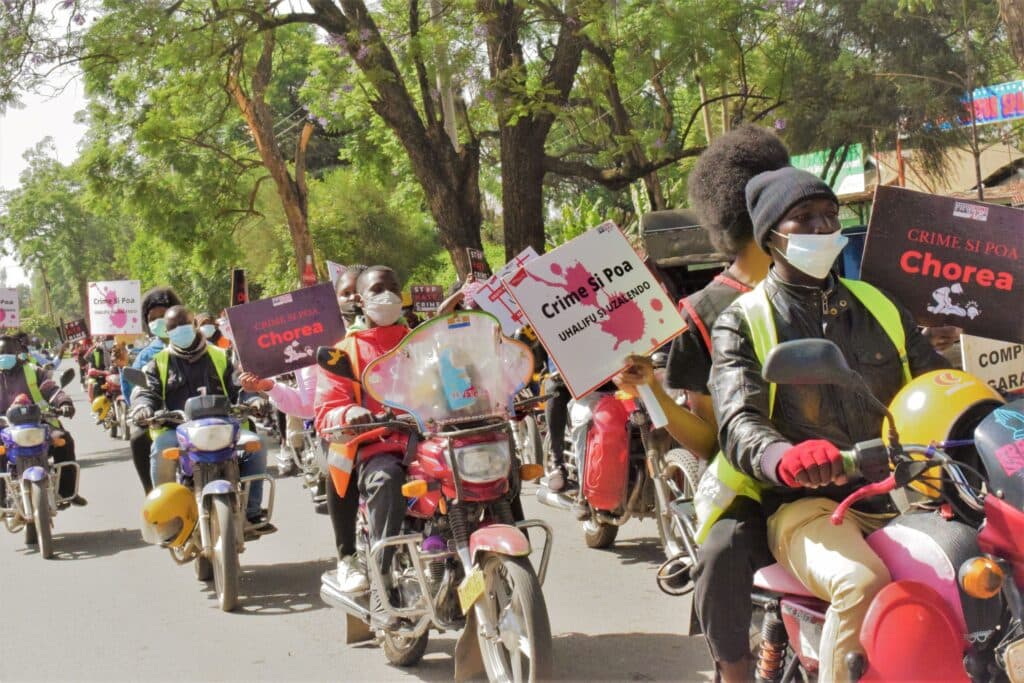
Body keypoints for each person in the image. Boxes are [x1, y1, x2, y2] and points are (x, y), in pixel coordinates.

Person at [708, 166, 949, 682]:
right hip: (809, 505)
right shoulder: (743, 319)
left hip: (909, 491)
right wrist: (785, 457)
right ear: (770, 236)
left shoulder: (880, 305)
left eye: (829, 216)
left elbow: (936, 383)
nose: (823, 228)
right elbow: (738, 420)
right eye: (803, 219)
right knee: (860, 583)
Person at [614, 124, 790, 682]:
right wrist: (653, 390)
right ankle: (733, 670)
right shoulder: (703, 311)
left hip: (844, 479)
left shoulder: (833, 291)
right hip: (754, 489)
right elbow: (712, 441)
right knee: (721, 550)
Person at [241, 263, 367, 588]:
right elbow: (308, 404)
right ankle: (348, 557)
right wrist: (269, 387)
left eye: (361, 290)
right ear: (334, 301)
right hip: (345, 434)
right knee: (341, 466)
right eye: (346, 292)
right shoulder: (317, 345)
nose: (354, 298)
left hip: (398, 430)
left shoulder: (399, 332)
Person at [314, 265, 410, 620]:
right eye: (377, 289)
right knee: (386, 479)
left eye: (393, 286)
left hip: (429, 442)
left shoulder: (421, 340)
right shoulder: (343, 353)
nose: (386, 294)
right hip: (377, 446)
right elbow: (327, 410)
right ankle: (383, 581)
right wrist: (350, 413)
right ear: (360, 299)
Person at [130, 305, 272, 529]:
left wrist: (253, 399)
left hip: (224, 427)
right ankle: (168, 517)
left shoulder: (221, 355)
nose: (179, 330)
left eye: (184, 325)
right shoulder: (157, 363)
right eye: (173, 327)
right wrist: (143, 407)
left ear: (195, 325)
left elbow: (241, 385)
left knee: (258, 445)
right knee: (160, 448)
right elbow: (146, 392)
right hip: (177, 431)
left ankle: (252, 512)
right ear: (167, 332)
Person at [0, 335, 86, 507]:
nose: (4, 356)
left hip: (39, 424)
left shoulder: (34, 370)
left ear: (17, 352)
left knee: (65, 441)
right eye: (1, 353)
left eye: (8, 352)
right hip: (5, 429)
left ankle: (67, 491)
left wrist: (64, 403)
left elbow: (52, 389)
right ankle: (2, 498)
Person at [122, 286, 181, 494]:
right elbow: (133, 391)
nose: (159, 321)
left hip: (201, 416)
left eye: (163, 315)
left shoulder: (201, 345)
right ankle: (152, 493)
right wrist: (142, 409)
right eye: (153, 318)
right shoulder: (146, 356)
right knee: (138, 438)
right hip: (162, 420)